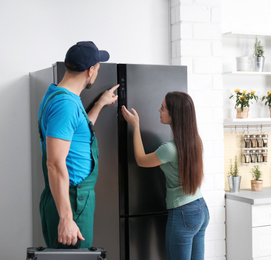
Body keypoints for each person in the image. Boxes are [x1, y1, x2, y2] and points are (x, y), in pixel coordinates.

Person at [38, 41, 119, 248]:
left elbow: (76, 135)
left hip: (73, 196)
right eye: (98, 69)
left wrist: (100, 104)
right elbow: (55, 163)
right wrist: (66, 218)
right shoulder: (65, 105)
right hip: (72, 199)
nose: (97, 73)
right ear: (90, 71)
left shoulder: (64, 97)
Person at [121, 91, 209, 260]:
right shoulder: (195, 141)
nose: (159, 110)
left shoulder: (169, 149)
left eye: (163, 108)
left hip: (183, 213)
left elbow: (140, 159)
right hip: (200, 208)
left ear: (174, 114)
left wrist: (136, 125)